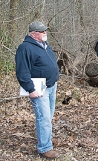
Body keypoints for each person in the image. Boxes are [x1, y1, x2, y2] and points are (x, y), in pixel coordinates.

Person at [15, 21, 60, 159]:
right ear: (33, 34)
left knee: (49, 115)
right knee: (43, 117)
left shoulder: (45, 45)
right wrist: (30, 89)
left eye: (45, 30)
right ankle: (44, 148)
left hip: (51, 85)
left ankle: (46, 139)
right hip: (39, 88)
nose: (45, 33)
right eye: (42, 31)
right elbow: (22, 71)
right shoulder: (25, 48)